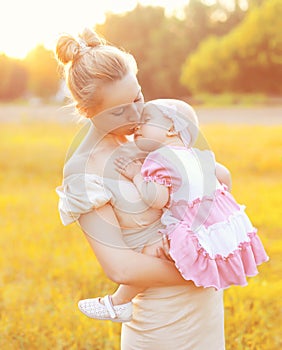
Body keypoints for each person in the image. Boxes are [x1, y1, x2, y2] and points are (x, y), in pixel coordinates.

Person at [56, 27, 227, 349]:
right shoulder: (83, 171)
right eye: (119, 110)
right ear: (86, 111)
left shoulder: (151, 136)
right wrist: (210, 265)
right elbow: (120, 267)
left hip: (205, 304)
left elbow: (206, 186)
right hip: (161, 318)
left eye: (137, 98)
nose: (137, 115)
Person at [78, 99, 269, 323]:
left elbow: (157, 199)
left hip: (194, 232)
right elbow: (224, 176)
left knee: (151, 252)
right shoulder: (198, 155)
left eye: (146, 120)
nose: (137, 126)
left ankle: (118, 303)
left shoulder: (158, 159)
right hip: (221, 227)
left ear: (170, 129)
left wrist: (137, 175)